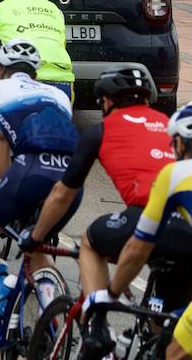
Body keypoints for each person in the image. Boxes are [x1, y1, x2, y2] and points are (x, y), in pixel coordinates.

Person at [22, 69, 188, 318]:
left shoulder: (99, 131)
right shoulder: (170, 126)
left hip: (147, 218)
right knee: (162, 327)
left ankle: (96, 327)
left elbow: (62, 194)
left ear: (107, 101)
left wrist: (36, 237)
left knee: (90, 242)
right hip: (187, 227)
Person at [0, 38, 78, 330]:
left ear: (0, 70)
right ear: (35, 74)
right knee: (38, 242)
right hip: (70, 180)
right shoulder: (57, 94)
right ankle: (52, 314)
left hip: (30, 170)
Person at [103, 104, 192, 359]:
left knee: (175, 353)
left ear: (180, 143)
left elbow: (138, 247)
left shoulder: (176, 173)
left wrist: (110, 293)